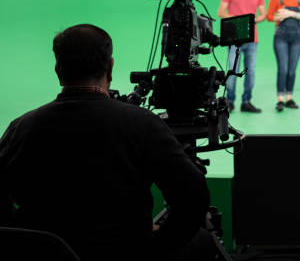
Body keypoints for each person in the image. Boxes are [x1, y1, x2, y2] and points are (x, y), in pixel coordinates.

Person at [0, 24, 211, 261]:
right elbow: (194, 198)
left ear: (58, 70)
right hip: (126, 253)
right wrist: (154, 247)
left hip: (43, 255)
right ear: (110, 68)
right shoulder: (143, 124)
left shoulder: (21, 127)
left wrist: (29, 237)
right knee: (202, 241)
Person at [218, 0, 266, 113]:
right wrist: (239, 22)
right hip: (234, 39)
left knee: (250, 71)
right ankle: (230, 101)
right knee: (232, 71)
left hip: (252, 39)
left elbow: (263, 14)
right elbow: (221, 12)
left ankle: (246, 102)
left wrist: (254, 20)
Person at [266, 0, 300, 111]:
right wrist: (279, 17)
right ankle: (280, 99)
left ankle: (289, 98)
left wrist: (290, 13)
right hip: (281, 36)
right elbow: (269, 16)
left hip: (297, 36)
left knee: (292, 70)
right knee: (283, 68)